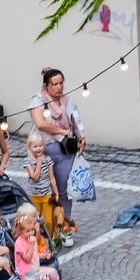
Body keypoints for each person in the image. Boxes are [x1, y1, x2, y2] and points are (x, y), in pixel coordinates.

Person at [27, 68, 84, 240]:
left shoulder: (68, 101)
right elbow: (41, 123)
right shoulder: (38, 101)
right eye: (55, 84)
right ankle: (46, 229)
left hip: (66, 150)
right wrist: (62, 131)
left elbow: (77, 122)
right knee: (47, 191)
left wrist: (81, 138)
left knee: (64, 190)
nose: (59, 87)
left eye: (61, 83)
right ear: (46, 86)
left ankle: (64, 227)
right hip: (43, 151)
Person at [23, 133, 63, 241]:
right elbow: (34, 177)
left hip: (46, 195)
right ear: (30, 147)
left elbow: (52, 178)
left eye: (40, 145)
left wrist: (56, 191)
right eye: (35, 146)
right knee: (34, 220)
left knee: (48, 221)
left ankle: (49, 240)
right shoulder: (28, 161)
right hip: (33, 195)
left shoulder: (48, 160)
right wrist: (39, 163)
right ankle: (38, 240)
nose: (38, 148)